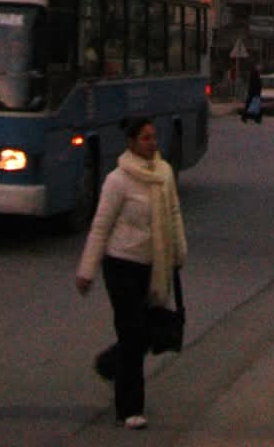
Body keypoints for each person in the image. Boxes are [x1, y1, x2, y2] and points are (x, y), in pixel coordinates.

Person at [76, 115, 187, 431]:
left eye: (154, 137)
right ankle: (130, 409)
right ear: (131, 143)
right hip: (121, 265)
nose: (152, 143)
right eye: (145, 138)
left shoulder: (164, 173)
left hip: (155, 265)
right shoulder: (118, 180)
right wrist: (87, 270)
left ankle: (110, 364)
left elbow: (173, 214)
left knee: (142, 333)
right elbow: (101, 226)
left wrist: (179, 252)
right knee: (132, 333)